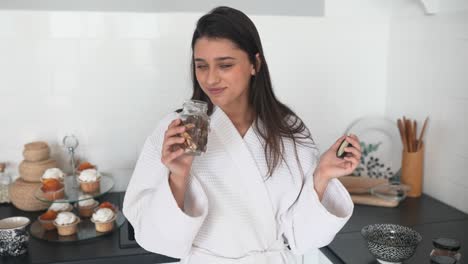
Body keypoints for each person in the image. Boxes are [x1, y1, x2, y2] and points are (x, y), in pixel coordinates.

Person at [123, 6, 361, 264]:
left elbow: (302, 237)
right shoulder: (177, 130)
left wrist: (322, 174)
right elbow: (153, 235)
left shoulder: (288, 130)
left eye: (225, 65)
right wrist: (177, 178)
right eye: (201, 66)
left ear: (254, 64)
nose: (210, 78)